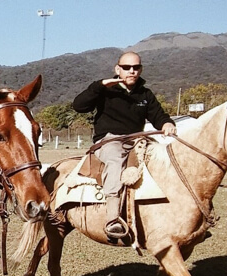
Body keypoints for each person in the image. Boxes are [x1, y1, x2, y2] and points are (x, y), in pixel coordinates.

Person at [73, 51, 176, 238]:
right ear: (117, 69)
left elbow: (158, 115)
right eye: (127, 67)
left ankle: (178, 210)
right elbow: (79, 106)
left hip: (138, 140)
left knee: (166, 155)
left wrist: (167, 123)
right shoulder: (104, 90)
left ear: (141, 69)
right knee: (114, 159)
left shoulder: (145, 94)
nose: (131, 71)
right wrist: (100, 85)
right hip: (109, 140)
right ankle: (112, 218)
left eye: (136, 67)